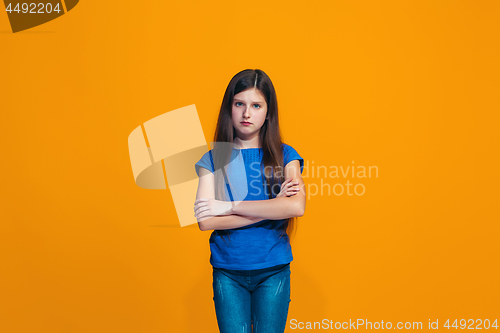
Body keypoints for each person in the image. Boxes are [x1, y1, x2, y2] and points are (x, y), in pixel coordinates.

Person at [193, 69, 306, 333]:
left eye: (256, 105)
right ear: (229, 108)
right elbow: (205, 220)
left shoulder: (285, 156)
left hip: (273, 268)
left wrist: (229, 207)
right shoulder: (212, 159)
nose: (247, 114)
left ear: (268, 112)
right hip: (227, 271)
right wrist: (274, 207)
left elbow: (296, 206)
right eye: (239, 104)